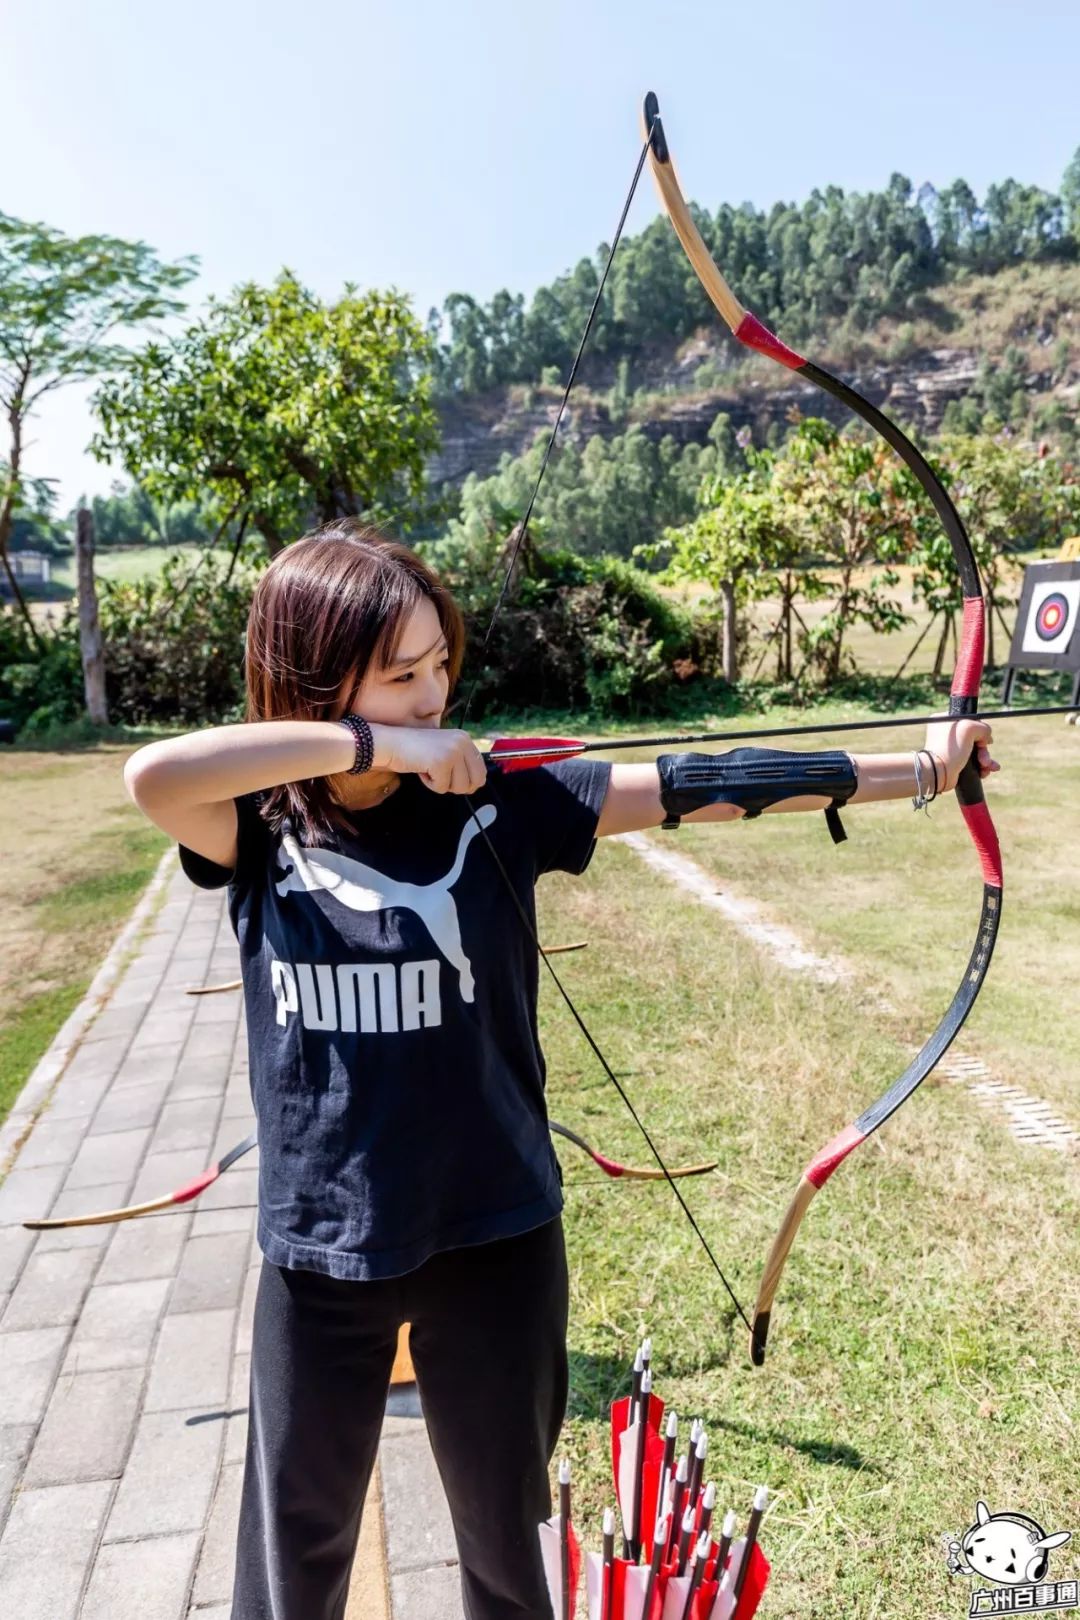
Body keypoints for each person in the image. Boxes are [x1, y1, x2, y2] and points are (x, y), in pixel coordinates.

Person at [122, 518, 997, 1620]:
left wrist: (922, 768)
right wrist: (377, 748)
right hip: (323, 1249)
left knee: (508, 1551)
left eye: (440, 664)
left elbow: (696, 783)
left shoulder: (499, 795)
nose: (435, 695)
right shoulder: (255, 821)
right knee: (292, 1560)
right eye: (401, 675)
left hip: (496, 1234)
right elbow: (153, 775)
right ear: (312, 677)